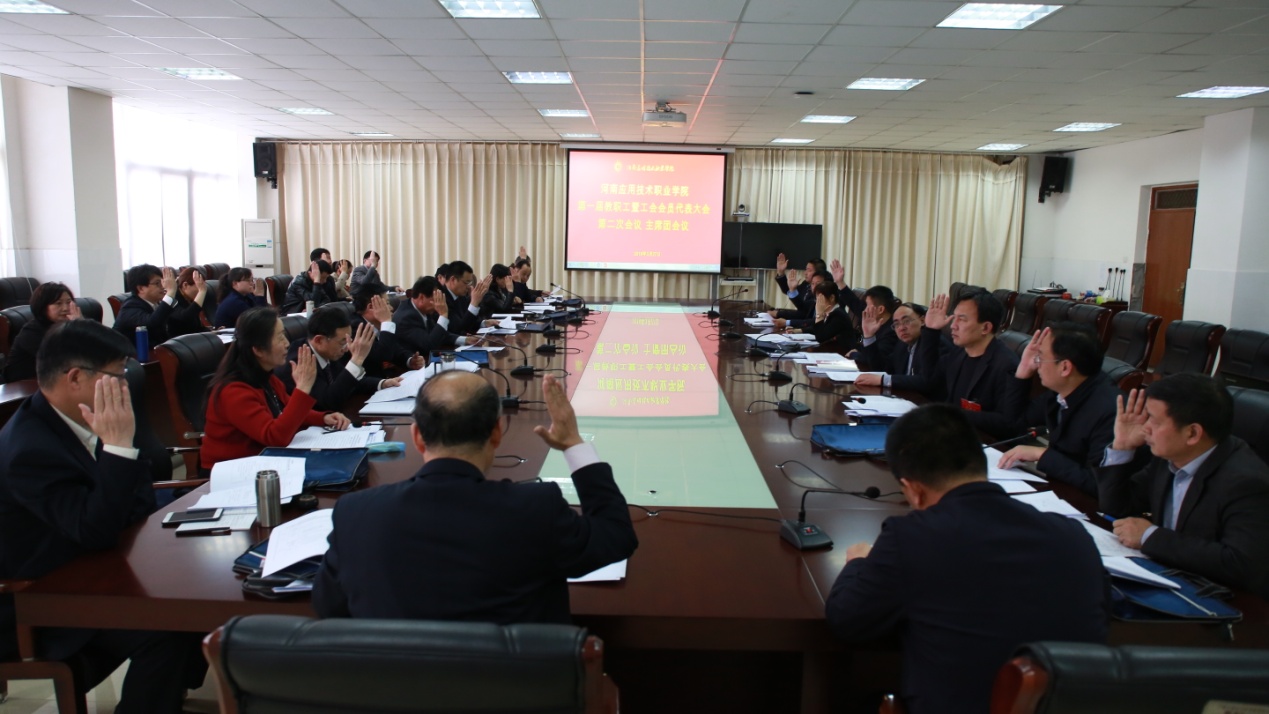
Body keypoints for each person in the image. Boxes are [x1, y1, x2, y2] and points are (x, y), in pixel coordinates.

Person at [825, 403, 1108, 714]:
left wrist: (858, 563)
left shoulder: (911, 538)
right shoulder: (1074, 536)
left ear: (912, 489)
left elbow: (846, 621)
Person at [312, 371, 638, 624]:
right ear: (497, 433)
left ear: (417, 437)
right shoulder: (536, 509)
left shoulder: (355, 514)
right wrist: (574, 445)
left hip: (395, 686)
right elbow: (616, 536)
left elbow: (329, 608)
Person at [0, 319, 206, 711]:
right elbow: (93, 530)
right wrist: (119, 448)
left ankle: (171, 695)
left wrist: (121, 448)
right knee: (170, 629)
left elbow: (138, 507)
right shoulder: (30, 449)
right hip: (40, 599)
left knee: (196, 595)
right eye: (116, 376)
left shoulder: (78, 419)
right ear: (76, 378)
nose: (124, 386)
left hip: (95, 570)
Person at [1097, 374, 1269, 597]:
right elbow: (1117, 508)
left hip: (1215, 599)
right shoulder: (1170, 454)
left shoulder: (1247, 483)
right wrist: (1122, 447)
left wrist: (1150, 537)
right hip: (1166, 575)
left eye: (1154, 420)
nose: (1144, 428)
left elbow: (1240, 565)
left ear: (1192, 433)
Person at [200, 307, 350, 473]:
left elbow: (287, 409)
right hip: (229, 472)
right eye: (280, 338)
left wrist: (323, 418)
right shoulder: (232, 391)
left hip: (264, 462)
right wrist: (302, 389)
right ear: (258, 349)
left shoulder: (266, 377)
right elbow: (275, 437)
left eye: (284, 335)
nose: (287, 344)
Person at [997, 323, 1124, 496]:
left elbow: (1098, 485)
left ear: (1065, 367)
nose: (1037, 363)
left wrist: (1043, 455)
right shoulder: (1063, 389)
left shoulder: (1109, 411)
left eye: (1040, 357)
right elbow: (1013, 424)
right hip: (1060, 489)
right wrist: (1023, 370)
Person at [915, 290, 1029, 440]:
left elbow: (1007, 424)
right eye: (954, 318)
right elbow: (930, 381)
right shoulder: (959, 353)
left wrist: (954, 414)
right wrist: (931, 331)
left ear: (986, 328)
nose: (953, 326)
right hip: (956, 433)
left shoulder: (1007, 365)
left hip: (986, 443)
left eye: (962, 319)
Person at [275, 305, 401, 412]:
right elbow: (328, 402)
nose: (346, 348)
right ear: (319, 340)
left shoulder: (327, 352)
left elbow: (349, 382)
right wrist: (357, 359)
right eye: (342, 342)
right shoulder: (300, 362)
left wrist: (382, 383)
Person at [855, 303, 951, 389]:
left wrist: (885, 380)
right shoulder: (902, 345)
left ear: (922, 321)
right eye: (896, 324)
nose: (901, 328)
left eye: (906, 321)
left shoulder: (935, 345)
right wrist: (869, 336)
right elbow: (882, 368)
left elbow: (925, 381)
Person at [2, 281, 82, 382]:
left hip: (54, 381)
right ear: (43, 307)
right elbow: (64, 360)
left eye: (69, 302)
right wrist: (78, 328)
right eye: (58, 303)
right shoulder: (31, 332)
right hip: (22, 386)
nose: (66, 308)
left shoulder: (66, 326)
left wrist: (83, 325)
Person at [351, 285, 424, 375]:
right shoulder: (356, 328)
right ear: (371, 307)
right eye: (387, 303)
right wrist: (386, 321)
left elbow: (394, 348)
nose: (391, 308)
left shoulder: (376, 324)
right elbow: (384, 354)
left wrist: (410, 360)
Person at [393, 276, 465, 356]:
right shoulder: (406, 318)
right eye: (436, 300)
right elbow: (429, 346)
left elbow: (439, 334)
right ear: (422, 298)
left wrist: (465, 340)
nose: (438, 304)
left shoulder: (424, 309)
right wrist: (443, 315)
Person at [113, 263, 177, 344]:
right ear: (141, 288)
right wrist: (171, 291)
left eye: (162, 282)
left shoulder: (156, 303)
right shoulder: (130, 307)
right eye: (157, 283)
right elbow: (153, 323)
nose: (163, 286)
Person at [786, 281, 858, 351]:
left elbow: (820, 337)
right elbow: (819, 327)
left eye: (820, 299)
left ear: (832, 298)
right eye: (817, 298)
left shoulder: (838, 315)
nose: (817, 302)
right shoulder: (832, 312)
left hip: (843, 353)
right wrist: (799, 330)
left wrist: (819, 315)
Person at [439, 260, 491, 336]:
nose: (469, 286)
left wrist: (484, 323)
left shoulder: (461, 297)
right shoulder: (441, 299)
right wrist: (474, 303)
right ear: (453, 280)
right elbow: (458, 328)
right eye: (466, 282)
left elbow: (469, 321)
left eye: (470, 283)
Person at [768, 253, 823, 322]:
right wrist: (781, 272)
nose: (805, 273)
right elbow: (789, 291)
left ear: (819, 272)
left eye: (809, 270)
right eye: (806, 269)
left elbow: (803, 312)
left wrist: (778, 314)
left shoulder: (821, 290)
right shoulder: (806, 284)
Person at [166, 266, 210, 338]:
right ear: (185, 285)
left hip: (193, 338)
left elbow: (197, 327)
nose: (203, 289)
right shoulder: (173, 298)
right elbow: (186, 316)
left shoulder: (190, 299)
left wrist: (214, 331)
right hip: (179, 340)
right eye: (199, 286)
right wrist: (201, 292)